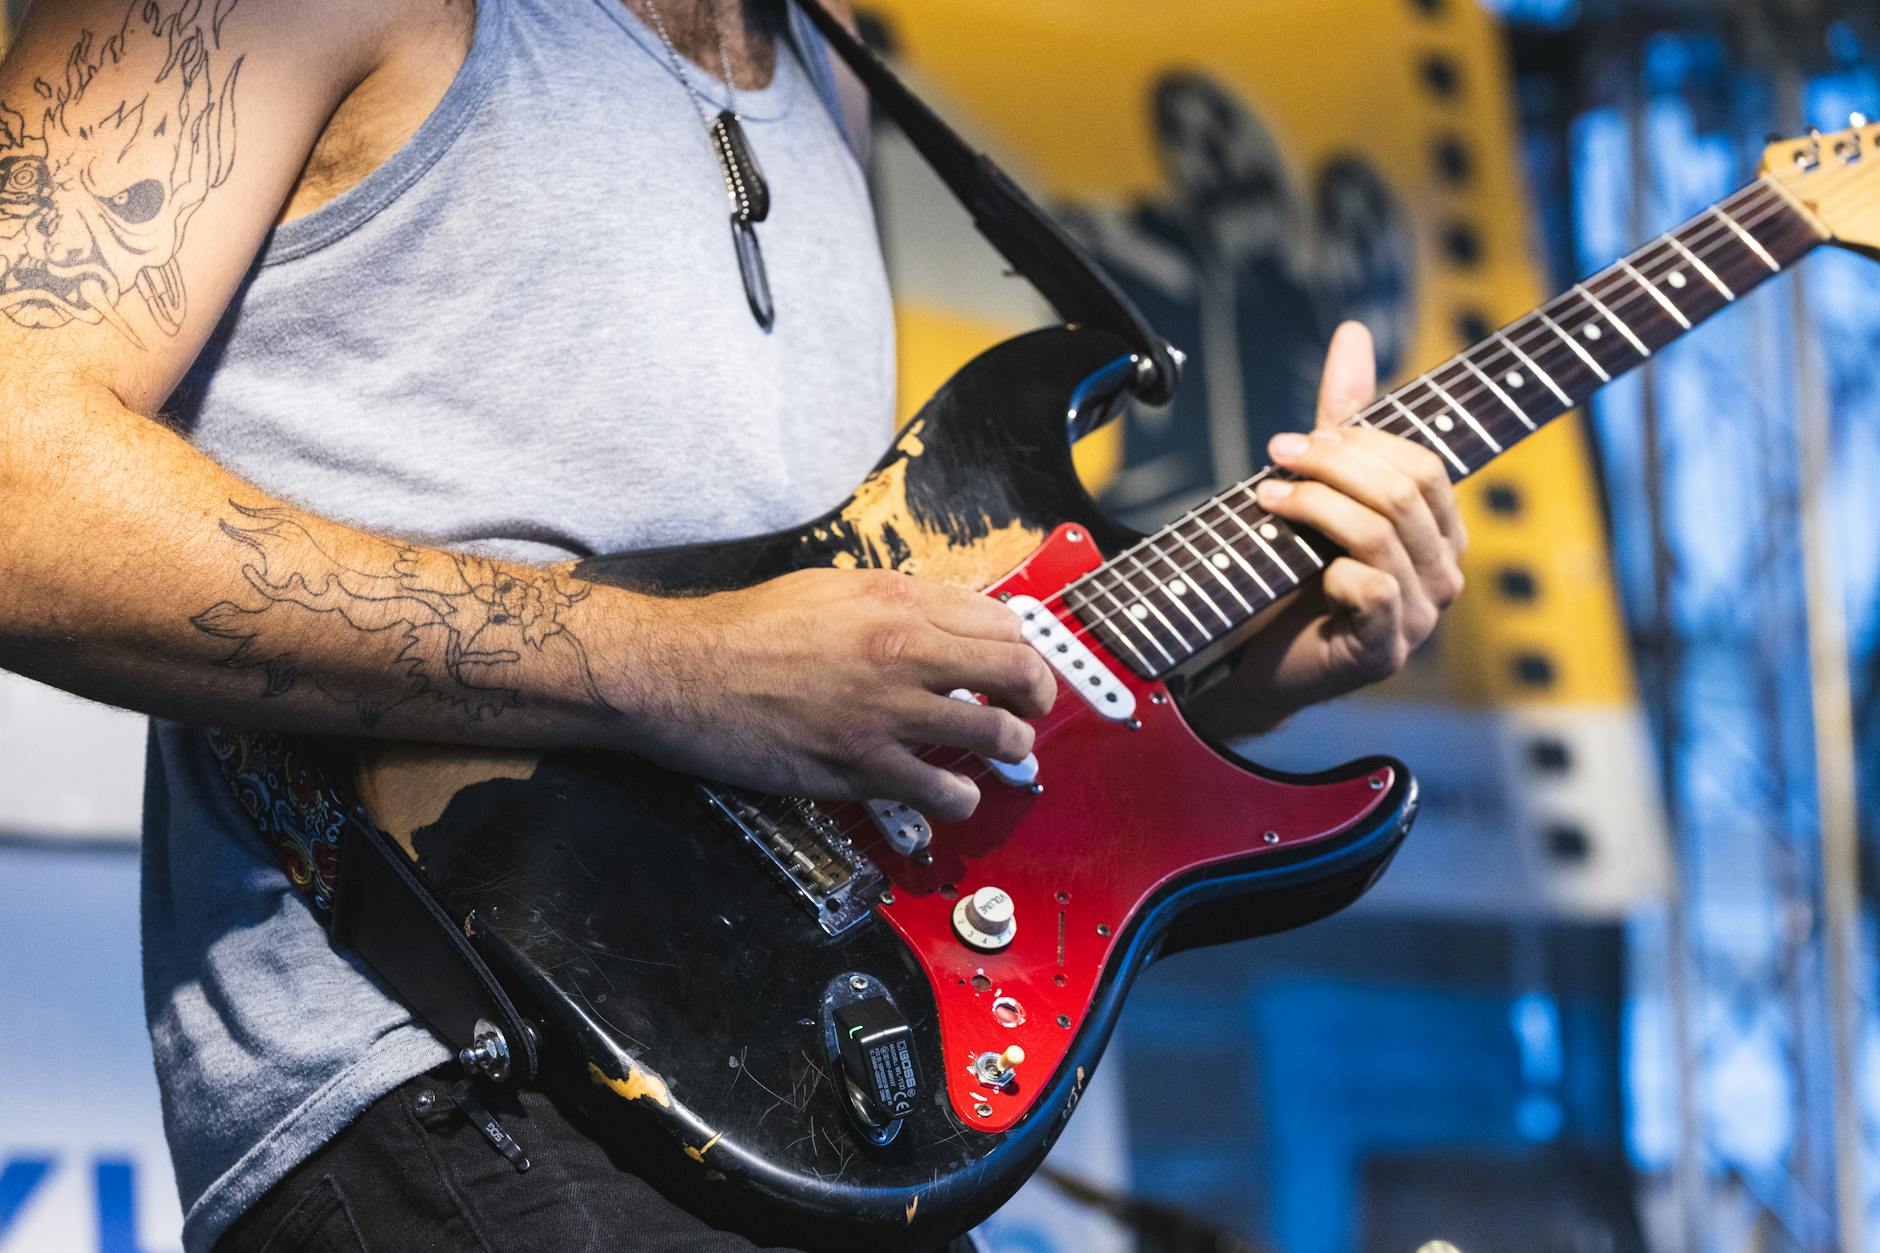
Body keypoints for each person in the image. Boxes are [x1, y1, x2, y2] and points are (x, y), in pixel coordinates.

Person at [0, 0, 1467, 1248]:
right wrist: (679, 670)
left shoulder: (827, 76)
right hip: (445, 1086)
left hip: (823, 1106)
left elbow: (832, 675)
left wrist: (1236, 683)